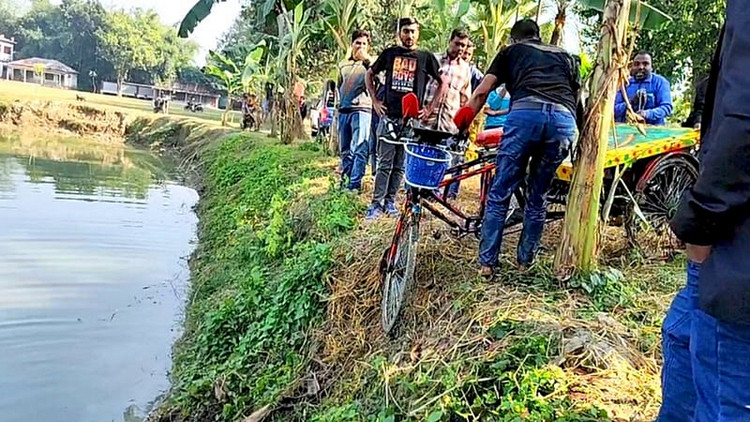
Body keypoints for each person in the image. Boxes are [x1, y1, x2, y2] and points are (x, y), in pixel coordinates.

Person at [658, 4, 750, 420]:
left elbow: (742, 122)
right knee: (680, 335)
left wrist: (697, 224)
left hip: (733, 251)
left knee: (723, 396)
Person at [453, 19, 579, 277]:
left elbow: (481, 93)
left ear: (514, 39)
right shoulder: (566, 56)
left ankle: (487, 264)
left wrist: (462, 127)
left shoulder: (511, 52)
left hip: (525, 117)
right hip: (563, 123)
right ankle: (524, 263)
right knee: (538, 196)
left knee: (500, 192)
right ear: (539, 36)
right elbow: (579, 100)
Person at [364, 17, 445, 219]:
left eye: (413, 31)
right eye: (406, 31)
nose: (409, 35)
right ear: (400, 33)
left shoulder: (425, 57)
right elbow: (370, 74)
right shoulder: (390, 53)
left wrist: (429, 108)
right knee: (384, 163)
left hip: (411, 121)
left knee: (400, 165)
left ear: (418, 34)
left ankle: (390, 202)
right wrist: (374, 100)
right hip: (389, 117)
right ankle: (376, 203)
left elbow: (442, 83)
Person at [422, 28, 472, 199]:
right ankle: (417, 190)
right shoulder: (434, 59)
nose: (460, 48)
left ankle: (434, 191)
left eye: (463, 46)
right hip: (427, 118)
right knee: (423, 153)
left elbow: (465, 98)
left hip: (448, 121)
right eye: (457, 43)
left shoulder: (466, 69)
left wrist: (465, 125)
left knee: (442, 157)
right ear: (450, 41)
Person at [337, 29, 373, 192]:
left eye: (364, 43)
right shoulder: (343, 65)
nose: (360, 46)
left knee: (359, 148)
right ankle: (345, 180)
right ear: (351, 44)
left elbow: (378, 79)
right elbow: (339, 85)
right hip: (344, 110)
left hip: (362, 110)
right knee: (345, 149)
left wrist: (366, 60)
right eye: (358, 43)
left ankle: (354, 184)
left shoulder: (371, 63)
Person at [614, 52, 673, 125]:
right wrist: (631, 102)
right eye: (636, 64)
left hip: (654, 131)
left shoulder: (661, 82)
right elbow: (614, 109)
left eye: (645, 64)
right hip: (626, 129)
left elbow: (666, 108)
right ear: (632, 66)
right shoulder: (623, 84)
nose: (640, 67)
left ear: (651, 67)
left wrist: (646, 114)